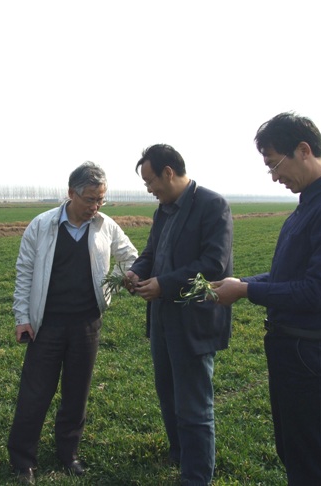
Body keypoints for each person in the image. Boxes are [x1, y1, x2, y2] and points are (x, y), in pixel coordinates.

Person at [212, 112, 321, 485]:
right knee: (295, 452)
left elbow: (318, 291)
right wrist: (240, 283)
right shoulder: (313, 203)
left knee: (314, 463)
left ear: (303, 150)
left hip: (312, 355)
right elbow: (290, 277)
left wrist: (246, 290)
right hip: (293, 349)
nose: (274, 176)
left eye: (274, 164)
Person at [8, 162, 139, 484]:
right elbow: (24, 272)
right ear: (71, 193)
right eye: (90, 199)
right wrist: (22, 317)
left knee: (76, 393)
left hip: (87, 324)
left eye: (101, 199)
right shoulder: (42, 225)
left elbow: (132, 259)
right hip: (46, 324)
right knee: (35, 394)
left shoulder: (105, 226)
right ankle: (23, 460)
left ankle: (68, 453)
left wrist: (117, 282)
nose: (95, 206)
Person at [125, 144, 233, 486]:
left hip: (193, 321)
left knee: (194, 404)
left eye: (150, 181)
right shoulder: (163, 211)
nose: (149, 189)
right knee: (168, 393)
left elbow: (213, 265)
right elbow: (151, 252)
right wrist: (136, 271)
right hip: (162, 319)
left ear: (168, 172)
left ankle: (196, 476)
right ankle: (180, 453)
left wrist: (164, 285)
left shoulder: (212, 206)